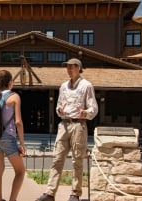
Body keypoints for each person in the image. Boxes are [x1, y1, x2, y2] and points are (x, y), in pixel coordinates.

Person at [36, 58, 98, 201]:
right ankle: (50, 192)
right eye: (67, 67)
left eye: (72, 67)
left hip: (78, 125)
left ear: (79, 68)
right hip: (63, 124)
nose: (69, 70)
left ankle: (75, 193)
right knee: (57, 158)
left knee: (77, 160)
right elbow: (59, 106)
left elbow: (93, 107)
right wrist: (59, 110)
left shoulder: (86, 85)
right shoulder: (63, 86)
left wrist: (86, 113)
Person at [0, 70, 25, 201]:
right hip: (7, 137)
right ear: (10, 82)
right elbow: (18, 122)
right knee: (20, 171)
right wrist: (22, 143)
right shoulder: (14, 97)